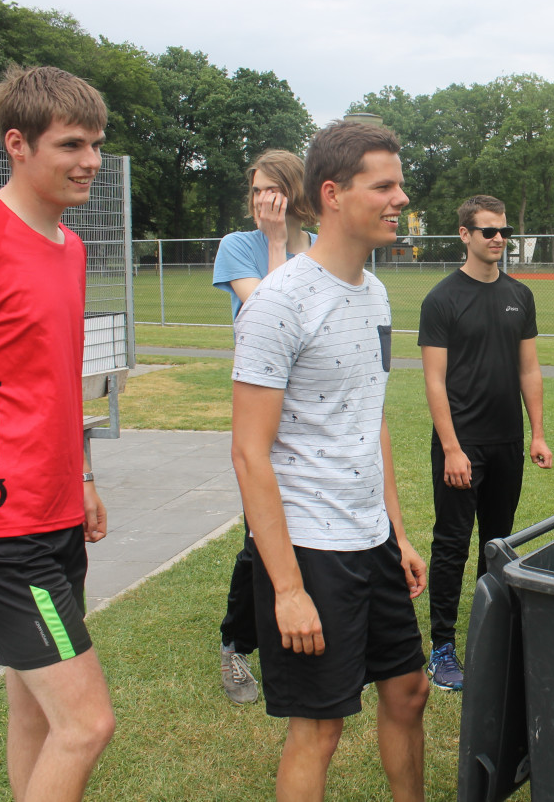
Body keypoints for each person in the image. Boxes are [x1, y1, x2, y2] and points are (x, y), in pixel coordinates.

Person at [230, 121, 429, 802]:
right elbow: (249, 453)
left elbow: (366, 418)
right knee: (318, 729)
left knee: (408, 691)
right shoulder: (280, 303)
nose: (400, 197)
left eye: (399, 183)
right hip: (310, 546)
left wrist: (396, 532)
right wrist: (287, 588)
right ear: (333, 194)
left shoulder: (373, 292)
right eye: (385, 185)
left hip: (368, 537)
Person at [0, 65, 116, 801]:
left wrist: (80, 475)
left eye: (98, 144)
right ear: (17, 144)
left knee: (35, 709)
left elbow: (55, 376)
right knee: (87, 723)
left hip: (55, 513)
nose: (90, 162)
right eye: (70, 145)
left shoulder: (70, 249)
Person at [418, 194, 553, 691]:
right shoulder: (442, 299)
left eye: (503, 232)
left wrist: (537, 432)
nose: (499, 240)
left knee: (498, 542)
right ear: (465, 235)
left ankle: (491, 635)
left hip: (507, 442)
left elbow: (529, 368)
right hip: (462, 443)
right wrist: (452, 448)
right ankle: (442, 648)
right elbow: (434, 381)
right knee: (452, 544)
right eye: (488, 231)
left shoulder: (520, 294)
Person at [212, 149, 317, 704]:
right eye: (254, 192)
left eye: (270, 191)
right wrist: (276, 243)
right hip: (264, 413)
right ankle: (235, 645)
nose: (260, 202)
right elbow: (271, 316)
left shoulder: (324, 248)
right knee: (260, 533)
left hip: (314, 415)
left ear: (294, 194)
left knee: (308, 527)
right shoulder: (240, 247)